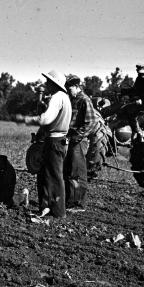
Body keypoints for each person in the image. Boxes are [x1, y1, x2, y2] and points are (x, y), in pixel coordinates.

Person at [25, 70, 71, 218]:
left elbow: (45, 119)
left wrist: (30, 119)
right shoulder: (65, 97)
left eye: (48, 82)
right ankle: (46, 207)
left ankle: (58, 212)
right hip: (60, 140)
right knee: (48, 175)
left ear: (53, 83)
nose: (46, 84)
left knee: (54, 176)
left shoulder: (57, 98)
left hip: (54, 141)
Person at [63, 74, 98, 207]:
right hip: (71, 139)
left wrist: (77, 136)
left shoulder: (84, 100)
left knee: (77, 172)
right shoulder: (72, 99)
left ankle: (78, 204)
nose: (67, 90)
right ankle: (69, 201)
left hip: (78, 141)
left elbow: (91, 122)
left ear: (77, 87)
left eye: (69, 87)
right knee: (68, 171)